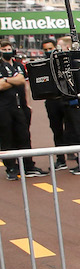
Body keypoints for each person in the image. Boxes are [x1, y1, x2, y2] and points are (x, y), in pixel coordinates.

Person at [41, 36, 80, 174]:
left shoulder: (76, 63)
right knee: (70, 133)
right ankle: (77, 161)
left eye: (57, 48)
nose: (54, 52)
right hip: (65, 103)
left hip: (78, 102)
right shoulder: (56, 64)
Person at [0, 38, 50, 180]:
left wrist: (28, 103)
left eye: (9, 49)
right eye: (4, 50)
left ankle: (28, 166)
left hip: (20, 106)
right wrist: (13, 80)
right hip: (4, 108)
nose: (7, 52)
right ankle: (11, 167)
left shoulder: (19, 65)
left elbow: (24, 82)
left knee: (24, 136)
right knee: (7, 138)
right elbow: (1, 86)